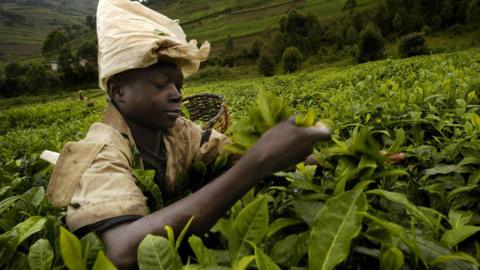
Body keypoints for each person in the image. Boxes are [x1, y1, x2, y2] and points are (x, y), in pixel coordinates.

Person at [45, 0, 331, 269]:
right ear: (118, 92)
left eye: (178, 85)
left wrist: (322, 158)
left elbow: (235, 153)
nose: (176, 95)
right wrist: (257, 163)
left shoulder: (180, 132)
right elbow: (122, 250)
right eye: (161, 85)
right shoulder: (102, 150)